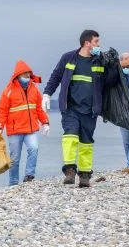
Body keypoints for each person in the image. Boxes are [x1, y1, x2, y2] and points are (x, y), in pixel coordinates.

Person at [43, 29, 119, 188]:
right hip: (70, 107)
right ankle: (69, 170)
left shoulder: (99, 60)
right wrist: (47, 94)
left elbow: (111, 82)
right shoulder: (68, 57)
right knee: (70, 136)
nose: (99, 45)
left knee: (86, 142)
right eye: (96, 42)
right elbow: (56, 76)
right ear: (87, 43)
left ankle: (84, 175)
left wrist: (112, 64)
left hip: (90, 109)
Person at [0, 60, 50, 185]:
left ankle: (29, 176)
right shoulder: (8, 91)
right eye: (25, 74)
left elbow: (39, 109)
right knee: (14, 159)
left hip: (31, 129)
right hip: (15, 131)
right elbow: (1, 110)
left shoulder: (34, 89)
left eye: (28, 74)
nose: (27, 76)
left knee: (34, 149)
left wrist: (45, 122)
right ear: (18, 75)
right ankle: (13, 183)